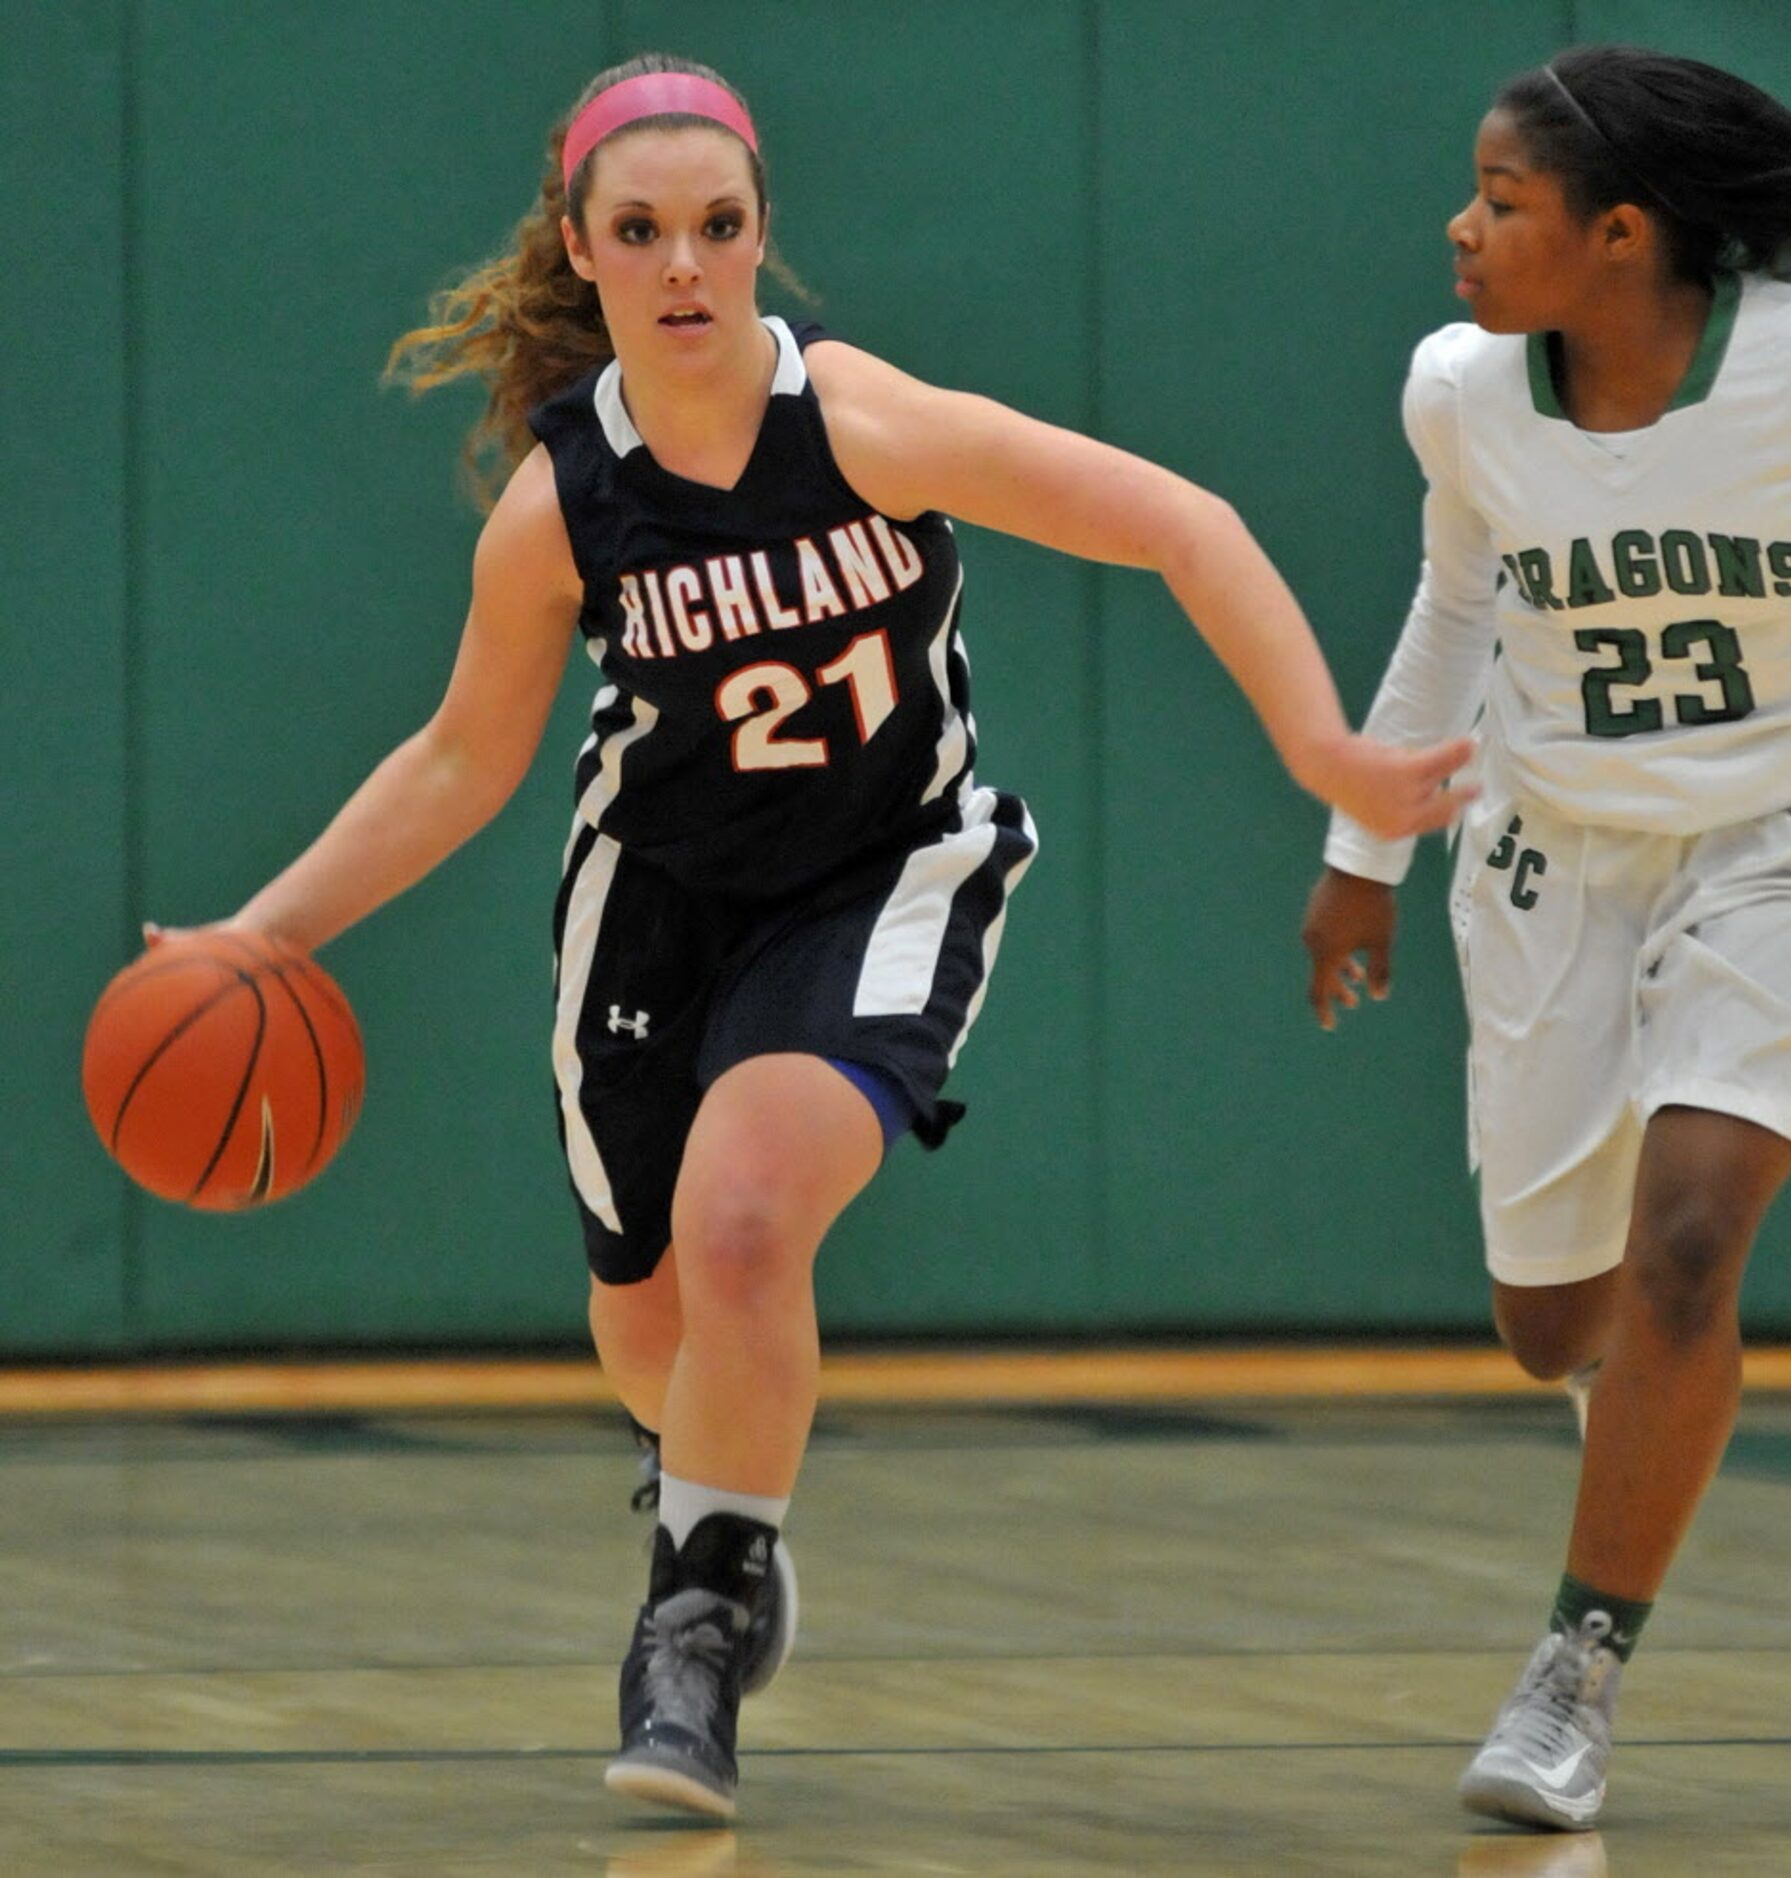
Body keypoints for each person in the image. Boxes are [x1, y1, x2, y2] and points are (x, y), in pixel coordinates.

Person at [153, 54, 1470, 1818]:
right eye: (643, 232)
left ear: (763, 233)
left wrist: (1322, 746)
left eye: (718, 226)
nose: (685, 265)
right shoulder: (565, 506)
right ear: (582, 247)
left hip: (879, 871)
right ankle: (709, 1494)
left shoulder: (856, 420)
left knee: (748, 1217)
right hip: (657, 896)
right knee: (649, 1319)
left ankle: (689, 1628)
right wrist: (262, 936)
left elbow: (1181, 522)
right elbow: (464, 757)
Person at [1302, 44, 1791, 1832]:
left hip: (1787, 845)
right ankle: (1644, 1420)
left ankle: (1573, 1670)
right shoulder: (1462, 391)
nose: (1456, 228)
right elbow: (1453, 604)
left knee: (1685, 1246)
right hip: (1547, 849)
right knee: (1546, 1323)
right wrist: (1364, 839)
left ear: (1618, 233)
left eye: (1497, 202)